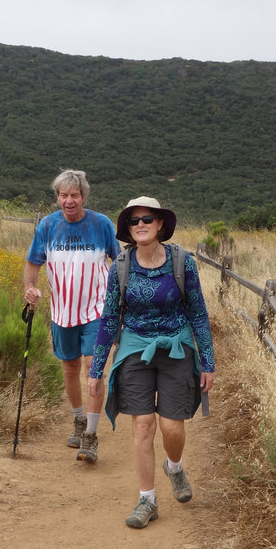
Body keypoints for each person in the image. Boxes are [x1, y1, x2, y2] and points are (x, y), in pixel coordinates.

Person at [87, 196, 215, 528]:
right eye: (133, 221)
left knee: (172, 427)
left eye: (147, 219)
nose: (140, 225)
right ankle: (147, 499)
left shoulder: (182, 262)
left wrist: (208, 362)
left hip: (176, 348)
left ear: (160, 224)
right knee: (143, 425)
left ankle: (174, 466)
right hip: (134, 350)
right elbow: (109, 318)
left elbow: (198, 313)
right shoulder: (121, 265)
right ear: (127, 229)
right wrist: (96, 369)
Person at [23, 170, 121, 463]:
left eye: (74, 196)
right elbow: (33, 263)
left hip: (96, 309)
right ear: (57, 197)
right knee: (69, 368)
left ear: (83, 197)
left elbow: (120, 262)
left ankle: (90, 436)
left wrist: (120, 299)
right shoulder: (47, 226)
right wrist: (30, 288)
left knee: (93, 367)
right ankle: (78, 420)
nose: (69, 201)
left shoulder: (101, 224)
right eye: (63, 195)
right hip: (62, 312)